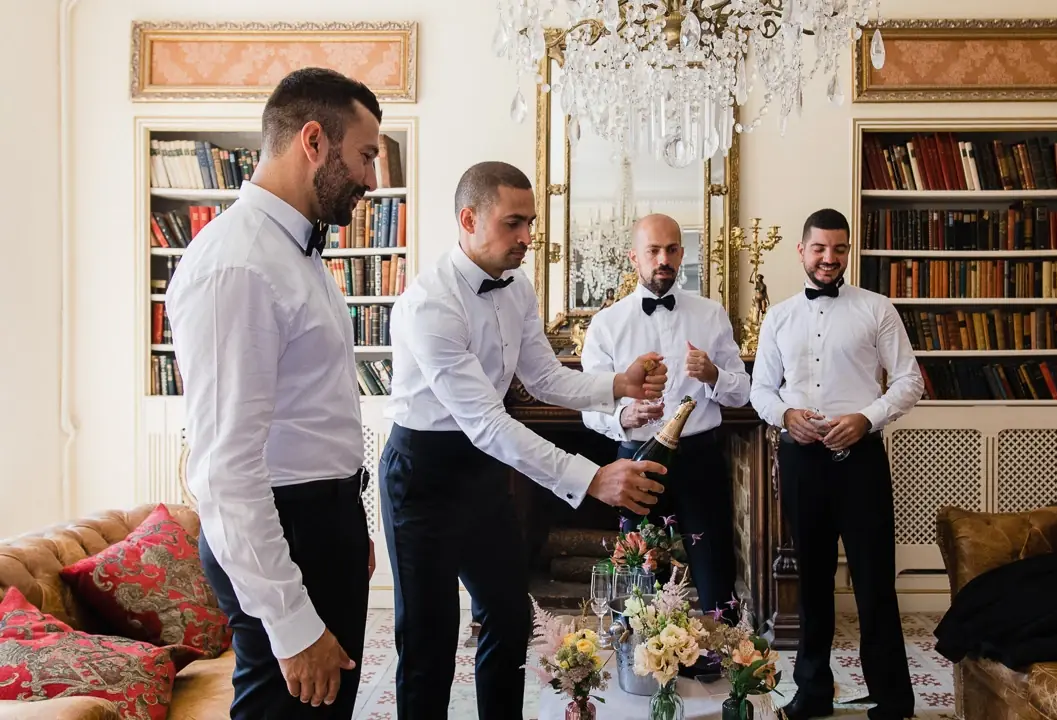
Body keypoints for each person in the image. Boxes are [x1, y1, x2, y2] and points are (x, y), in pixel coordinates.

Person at [381, 160, 671, 720]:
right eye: (514, 223)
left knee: (511, 621)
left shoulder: (518, 285)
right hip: (423, 475)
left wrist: (617, 385)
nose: (528, 239)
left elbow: (542, 378)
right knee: (428, 643)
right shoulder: (429, 305)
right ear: (469, 218)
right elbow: (488, 422)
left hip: (483, 474)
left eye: (531, 223)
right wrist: (591, 477)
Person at [165, 67, 381, 719]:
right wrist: (291, 624)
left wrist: (349, 523)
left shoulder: (295, 253)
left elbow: (310, 411)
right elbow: (227, 472)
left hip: (322, 522)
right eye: (365, 155)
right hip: (281, 528)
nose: (372, 179)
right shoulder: (240, 266)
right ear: (313, 140)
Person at [749, 208, 924, 720]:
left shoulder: (877, 309)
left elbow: (909, 380)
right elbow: (760, 390)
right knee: (812, 581)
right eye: (820, 248)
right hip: (801, 458)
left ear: (848, 252)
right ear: (801, 251)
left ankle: (893, 701)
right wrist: (785, 414)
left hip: (861, 460)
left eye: (839, 249)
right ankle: (813, 694)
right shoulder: (778, 316)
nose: (830, 258)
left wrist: (866, 419)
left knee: (874, 582)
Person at [580, 213, 750, 618]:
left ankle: (717, 665)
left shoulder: (711, 315)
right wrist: (624, 415)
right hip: (636, 462)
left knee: (713, 570)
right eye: (653, 250)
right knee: (640, 577)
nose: (663, 259)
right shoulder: (606, 325)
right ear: (633, 257)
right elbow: (590, 406)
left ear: (682, 253)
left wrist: (713, 375)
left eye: (672, 249)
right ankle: (641, 670)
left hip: (700, 459)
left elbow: (743, 392)